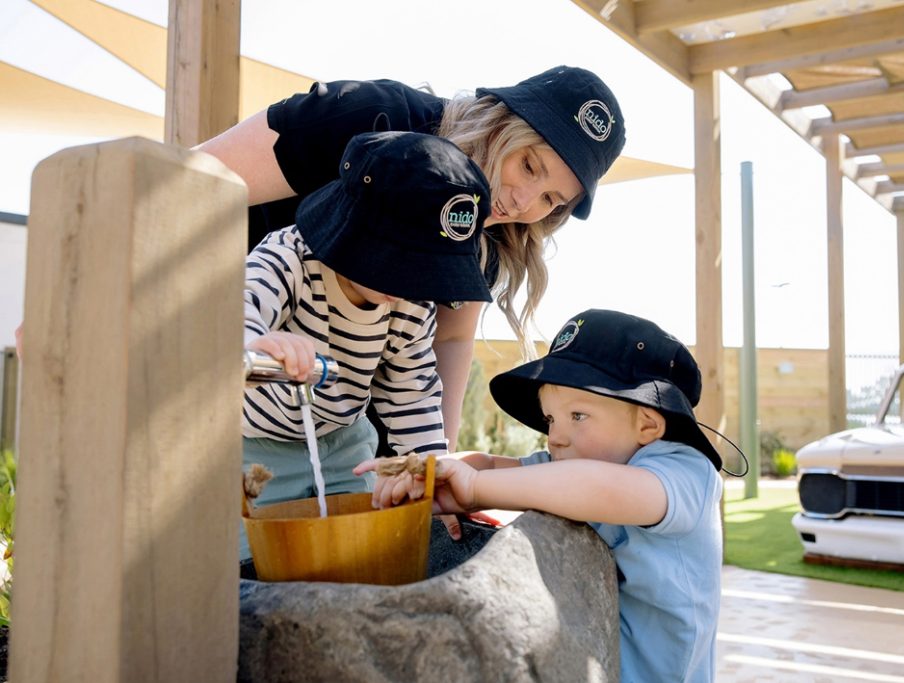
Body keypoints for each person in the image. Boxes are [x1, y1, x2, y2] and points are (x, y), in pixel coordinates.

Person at [198, 65, 626, 458]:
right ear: (500, 123)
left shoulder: (488, 229)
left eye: (551, 199)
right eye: (529, 165)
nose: (522, 202)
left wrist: (437, 470)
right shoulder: (368, 116)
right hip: (217, 347)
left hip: (332, 420)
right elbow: (191, 180)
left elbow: (448, 343)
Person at [356, 309, 724, 682]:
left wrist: (475, 490)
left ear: (647, 423)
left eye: (577, 416)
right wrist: (430, 472)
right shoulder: (581, 459)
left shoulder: (684, 473)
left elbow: (594, 487)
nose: (556, 437)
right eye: (551, 420)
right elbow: (494, 465)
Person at [241, 130, 492, 559]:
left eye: (426, 270)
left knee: (354, 554)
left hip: (343, 446)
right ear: (354, 230)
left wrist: (430, 476)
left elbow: (411, 392)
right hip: (257, 451)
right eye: (402, 263)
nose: (411, 284)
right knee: (257, 562)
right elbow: (237, 305)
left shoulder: (410, 299)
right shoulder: (289, 258)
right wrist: (258, 340)